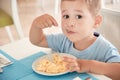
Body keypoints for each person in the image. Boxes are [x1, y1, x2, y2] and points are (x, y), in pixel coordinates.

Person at [29, 0, 120, 80]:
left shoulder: (104, 48)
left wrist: (87, 65)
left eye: (78, 16)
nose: (70, 23)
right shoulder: (63, 40)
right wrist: (36, 26)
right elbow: (38, 40)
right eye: (66, 16)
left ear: (96, 21)